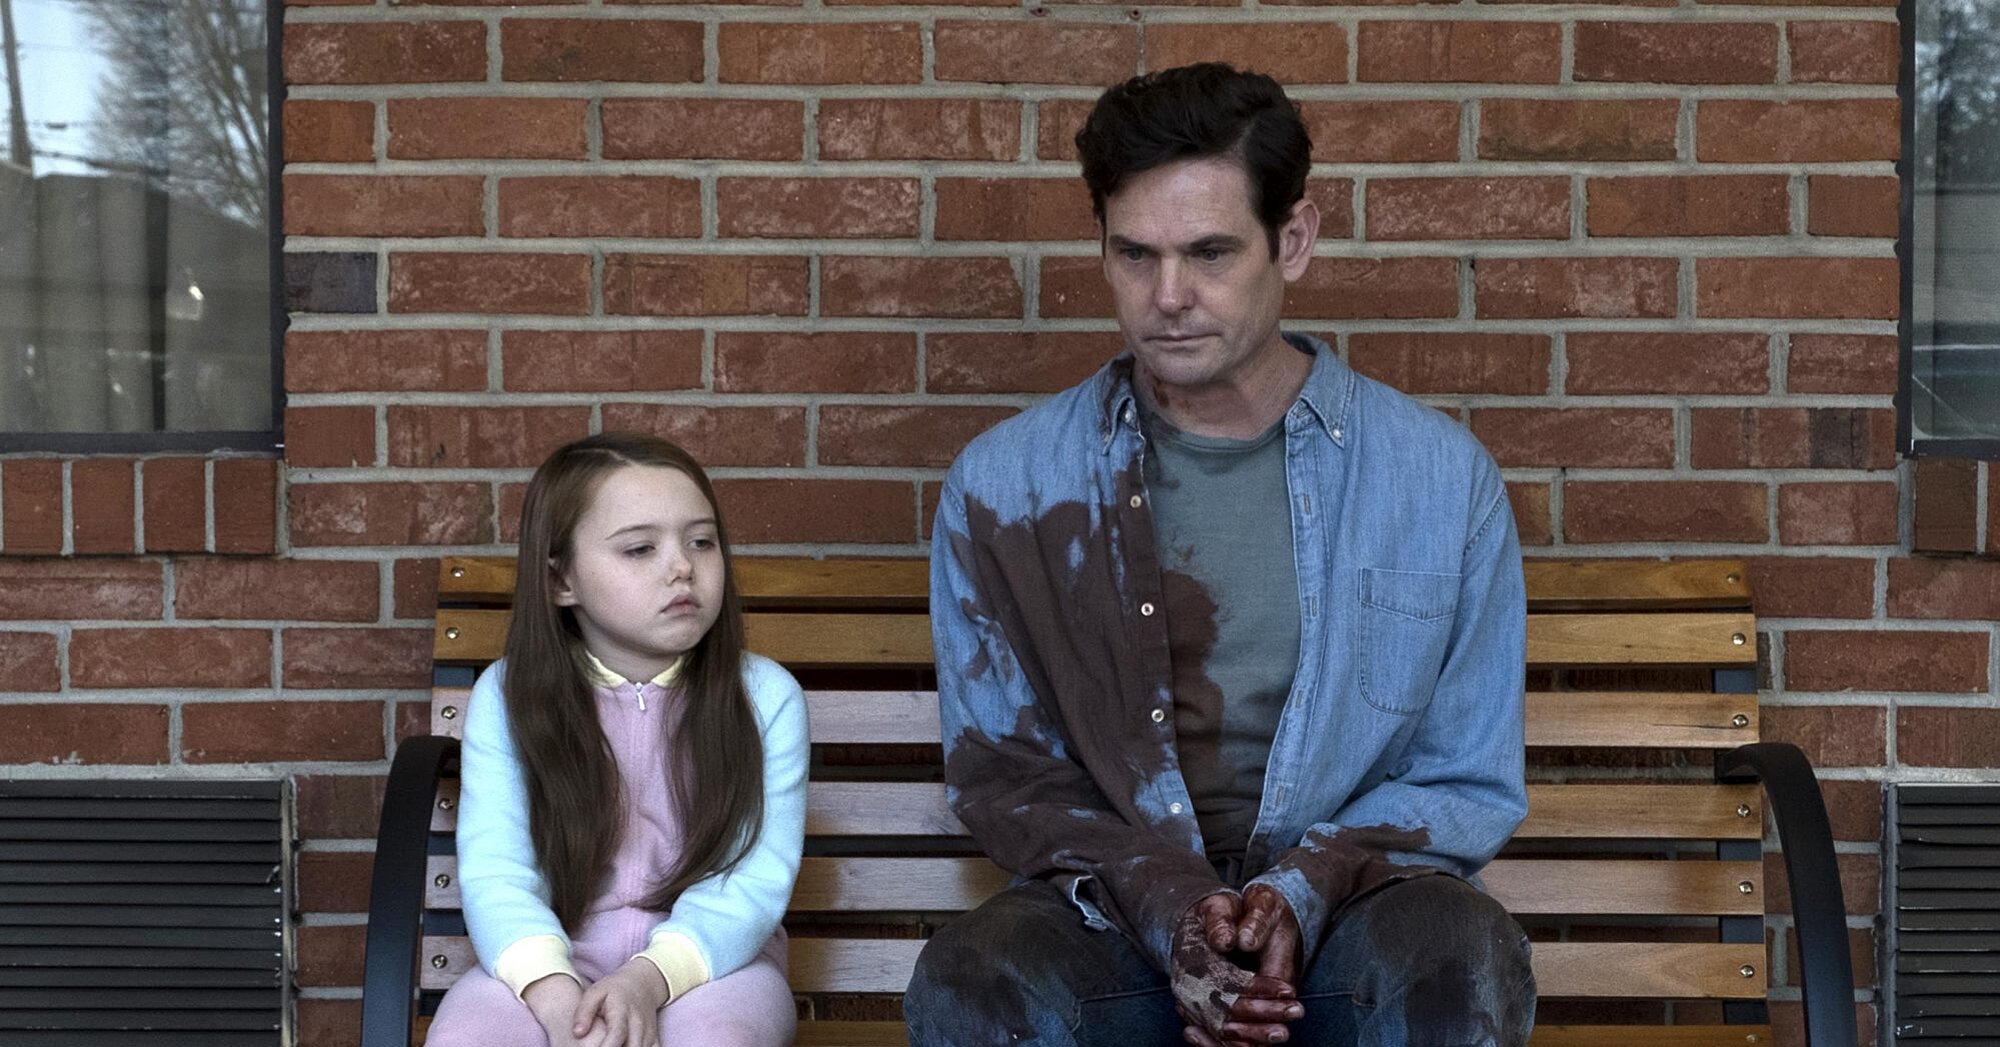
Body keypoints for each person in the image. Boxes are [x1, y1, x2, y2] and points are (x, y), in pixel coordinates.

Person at [910, 63, 1536, 1047]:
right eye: (1134, 255)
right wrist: (1169, 908)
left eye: (1208, 253)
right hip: (1110, 917)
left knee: (1456, 962)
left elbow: (1461, 775)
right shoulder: (1006, 486)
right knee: (973, 979)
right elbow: (1005, 771)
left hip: (1359, 921)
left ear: (1291, 240)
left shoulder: (1437, 479)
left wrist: (1294, 894)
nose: (1167, 296)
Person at [427, 433, 807, 1047]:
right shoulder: (509, 697)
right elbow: (499, 873)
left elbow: (751, 880)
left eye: (701, 541)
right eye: (639, 548)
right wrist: (557, 1001)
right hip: (547, 962)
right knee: (468, 1037)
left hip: (711, 967)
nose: (681, 565)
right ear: (561, 581)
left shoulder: (764, 698)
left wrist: (648, 980)